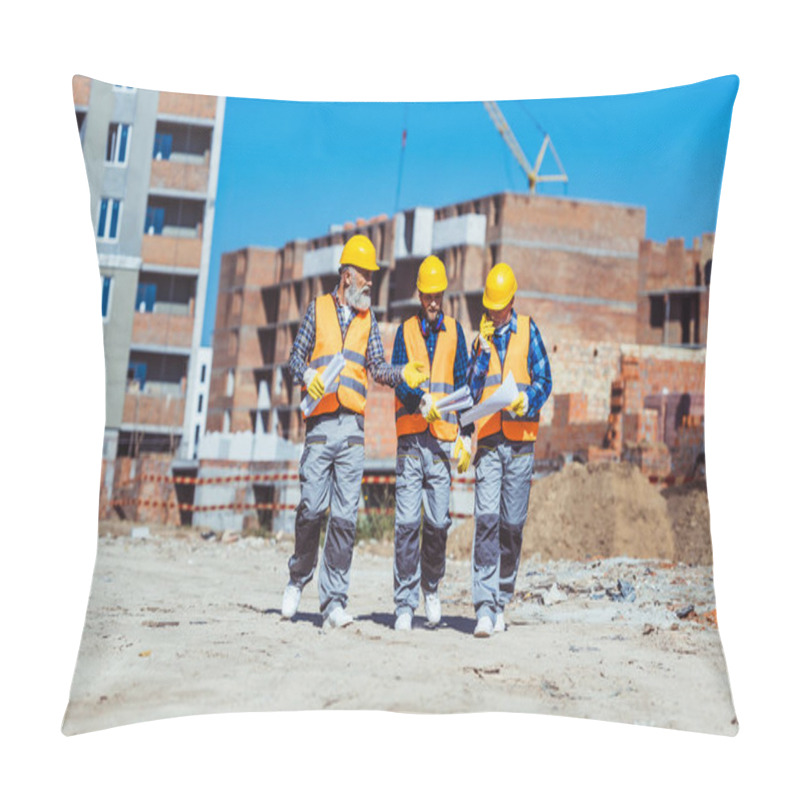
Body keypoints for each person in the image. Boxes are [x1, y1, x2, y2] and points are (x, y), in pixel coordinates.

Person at [280, 234, 428, 630]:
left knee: (345, 520)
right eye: (364, 275)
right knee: (311, 509)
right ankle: (298, 577)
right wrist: (308, 374)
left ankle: (333, 602)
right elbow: (294, 359)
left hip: (353, 431)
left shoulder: (369, 320)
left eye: (371, 276)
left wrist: (404, 375)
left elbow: (378, 368)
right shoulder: (317, 309)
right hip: (320, 425)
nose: (370, 282)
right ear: (346, 275)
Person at [467, 262, 552, 638]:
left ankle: (502, 599)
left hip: (519, 445)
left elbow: (545, 379)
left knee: (511, 527)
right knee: (486, 522)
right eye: (490, 307)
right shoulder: (480, 340)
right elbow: (470, 389)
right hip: (487, 441)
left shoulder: (528, 331)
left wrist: (526, 400)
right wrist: (481, 352)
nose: (494, 313)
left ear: (511, 302)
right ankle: (484, 607)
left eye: (499, 307)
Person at [390, 255, 473, 631]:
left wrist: (466, 436)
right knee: (407, 524)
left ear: (443, 294)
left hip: (441, 443)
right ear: (419, 294)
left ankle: (431, 587)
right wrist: (417, 399)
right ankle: (405, 602)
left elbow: (465, 389)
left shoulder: (455, 333)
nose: (433, 301)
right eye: (427, 295)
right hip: (410, 439)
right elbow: (397, 377)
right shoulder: (404, 332)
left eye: (437, 295)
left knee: (438, 524)